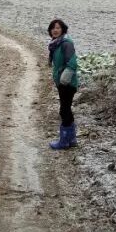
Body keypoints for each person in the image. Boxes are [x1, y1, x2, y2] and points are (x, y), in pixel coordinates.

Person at [46, 18, 79, 149]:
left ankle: (64, 141)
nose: (55, 30)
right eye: (53, 28)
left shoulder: (66, 43)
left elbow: (72, 62)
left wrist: (64, 79)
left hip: (67, 83)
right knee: (67, 109)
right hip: (62, 82)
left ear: (63, 29)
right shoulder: (56, 43)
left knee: (64, 110)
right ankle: (71, 139)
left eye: (58, 27)